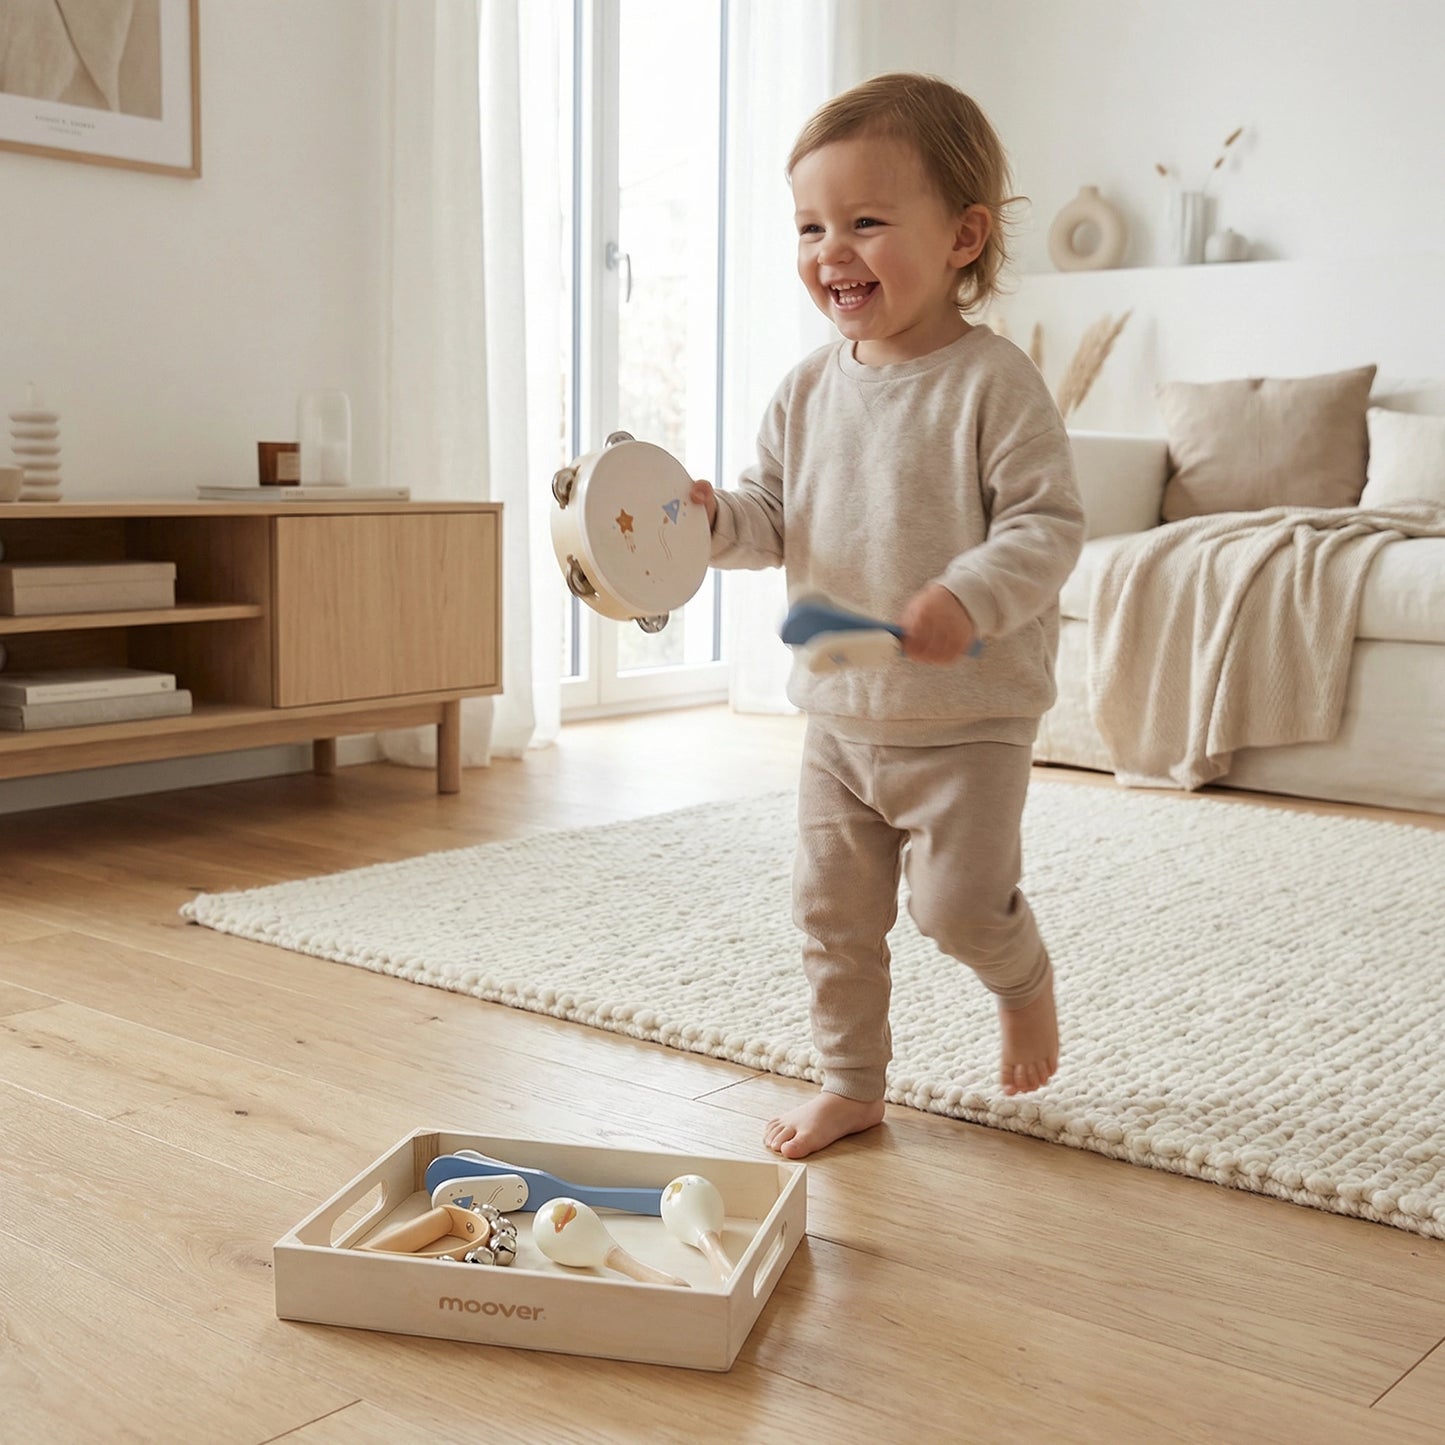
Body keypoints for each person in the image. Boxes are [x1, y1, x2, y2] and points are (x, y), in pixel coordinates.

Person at [689, 73, 1085, 1160]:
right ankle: (851, 1082)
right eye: (811, 225)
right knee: (831, 919)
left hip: (967, 721)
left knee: (954, 908)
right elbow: (768, 515)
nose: (832, 250)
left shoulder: (993, 385)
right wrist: (708, 518)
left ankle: (1021, 973)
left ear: (961, 236)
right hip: (839, 718)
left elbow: (1047, 527)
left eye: (866, 221)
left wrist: (969, 594)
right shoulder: (804, 390)